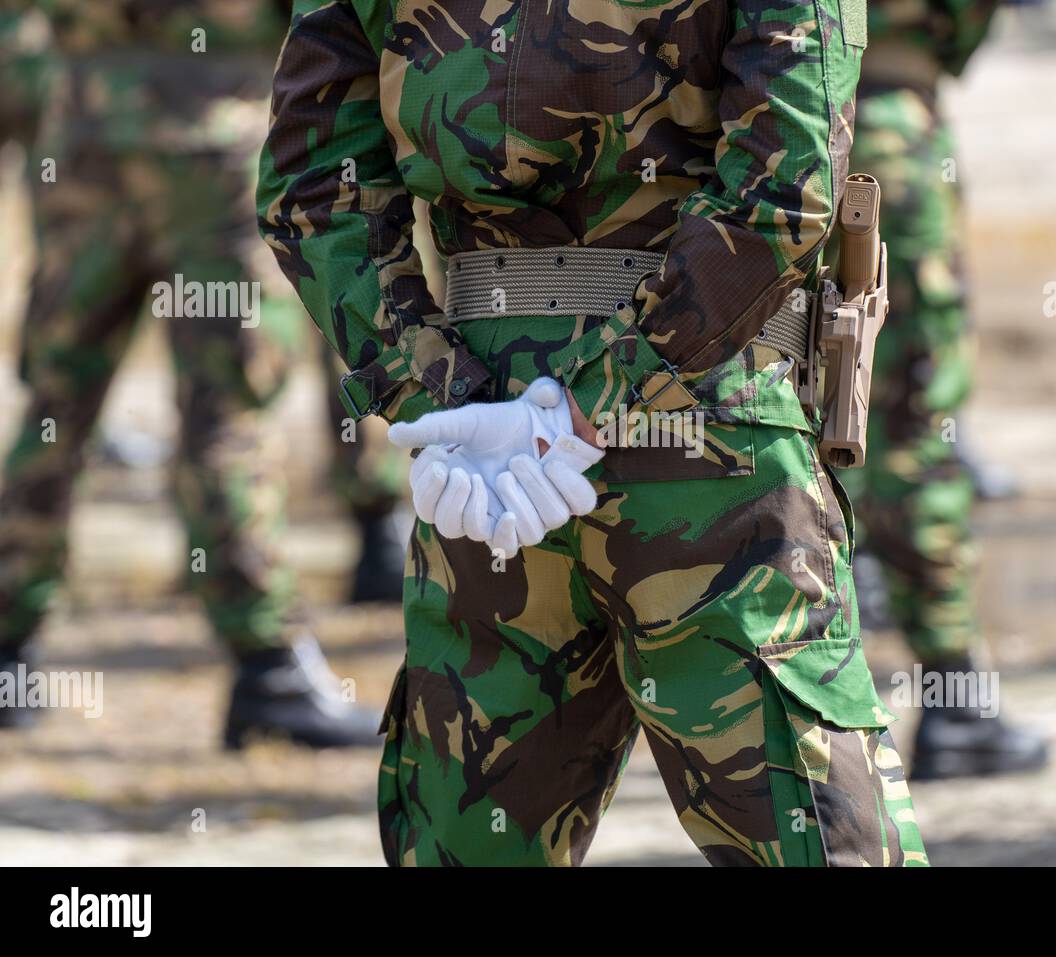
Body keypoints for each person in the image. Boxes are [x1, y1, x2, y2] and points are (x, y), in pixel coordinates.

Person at [259, 0, 929, 866]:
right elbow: (784, 188)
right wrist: (584, 408)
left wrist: (436, 396)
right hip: (707, 432)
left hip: (489, 454)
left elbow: (311, 182)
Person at [0, 0, 378, 747]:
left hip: (83, 143)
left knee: (56, 402)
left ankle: (6, 646)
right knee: (225, 414)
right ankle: (267, 666)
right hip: (215, 158)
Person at [834, 0, 1049, 779]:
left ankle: (815, 715)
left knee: (788, 399)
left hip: (765, 141)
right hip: (892, 121)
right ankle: (955, 699)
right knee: (915, 416)